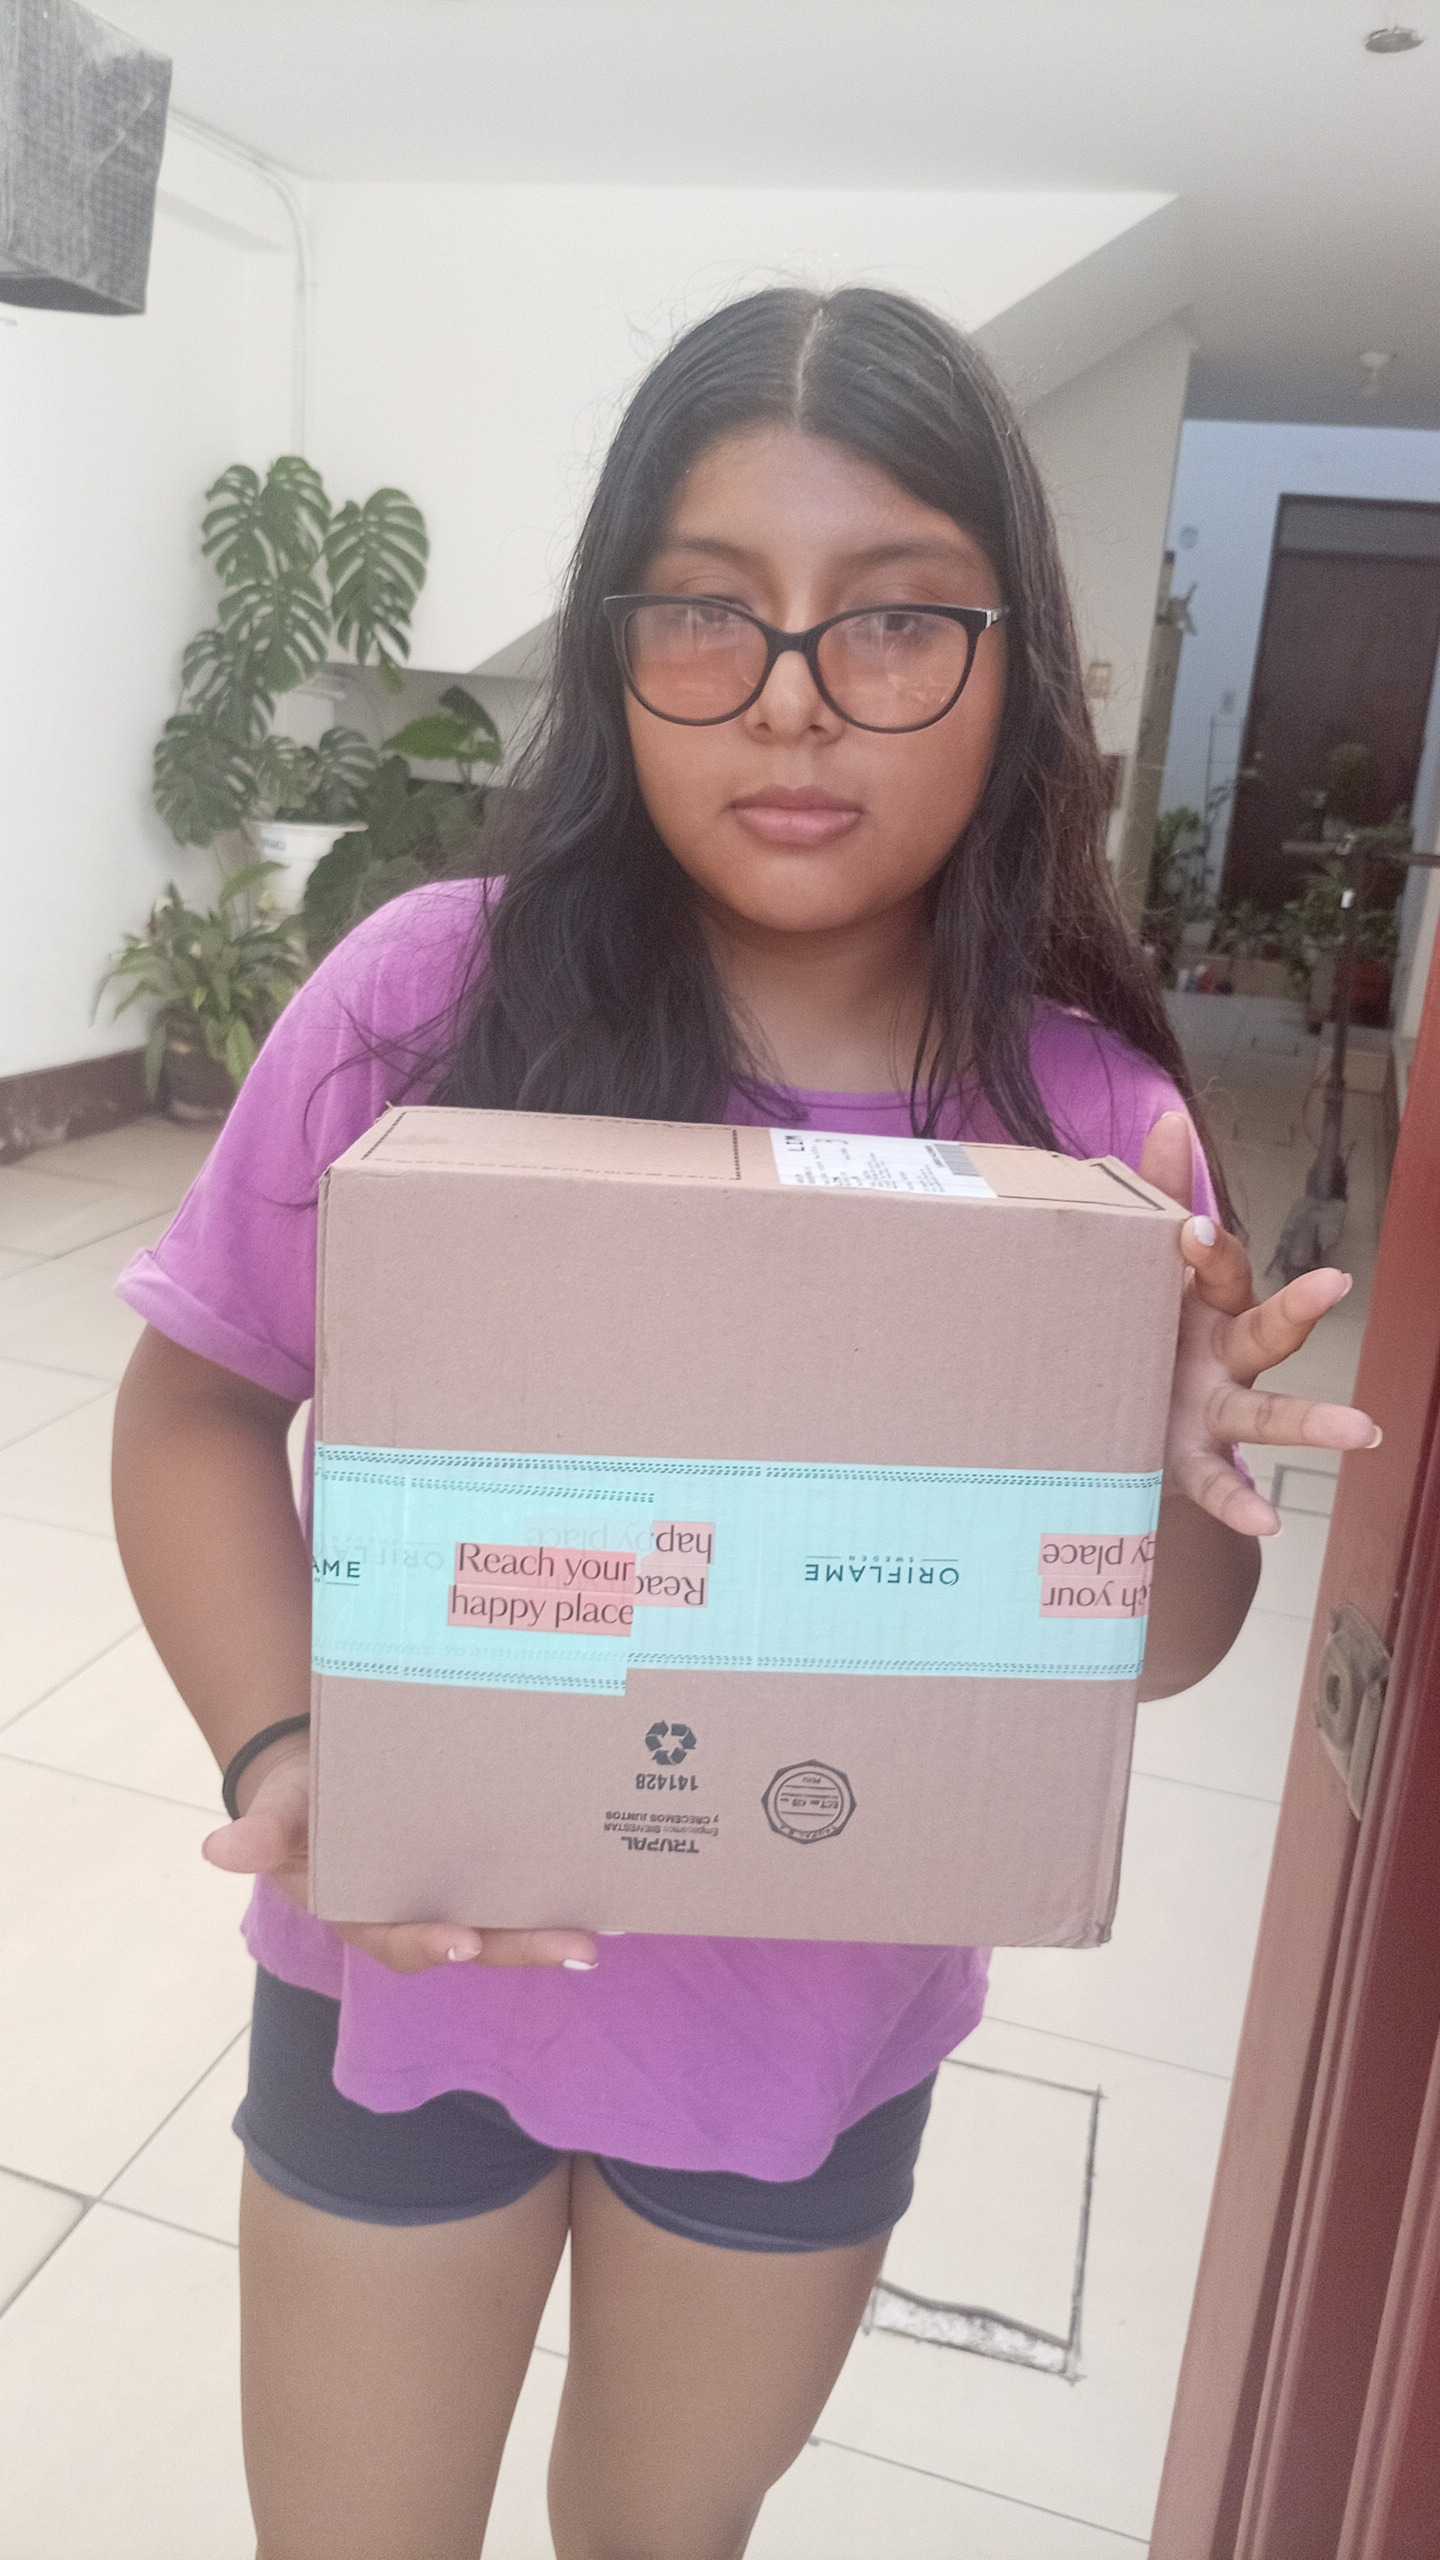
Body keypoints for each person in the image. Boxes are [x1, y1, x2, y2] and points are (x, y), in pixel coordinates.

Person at [110, 284, 1380, 2560]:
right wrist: (285, 1750)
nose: (792, 698)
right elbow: (197, 1410)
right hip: (412, 1975)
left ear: (1019, 668)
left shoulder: (1089, 1123)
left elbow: (1151, 1645)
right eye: (707, 611)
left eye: (893, 619)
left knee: (660, 2528)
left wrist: (1164, 1457)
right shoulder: (425, 1004)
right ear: (614, 650)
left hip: (804, 2025)